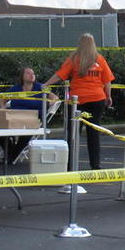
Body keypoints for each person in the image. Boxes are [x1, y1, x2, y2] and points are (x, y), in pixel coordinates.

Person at [43, 34, 114, 171]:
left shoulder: (74, 59)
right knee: (94, 133)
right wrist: (108, 96)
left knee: (74, 133)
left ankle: (70, 165)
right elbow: (107, 81)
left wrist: (47, 83)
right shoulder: (99, 59)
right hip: (97, 99)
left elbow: (60, 74)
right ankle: (95, 164)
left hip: (77, 100)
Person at [0, 66, 55, 163]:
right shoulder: (16, 88)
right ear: (22, 76)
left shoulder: (40, 87)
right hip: (15, 116)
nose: (31, 75)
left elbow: (55, 98)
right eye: (28, 73)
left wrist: (49, 103)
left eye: (33, 73)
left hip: (33, 118)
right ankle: (11, 152)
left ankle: (11, 157)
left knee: (26, 134)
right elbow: (2, 99)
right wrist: (3, 108)